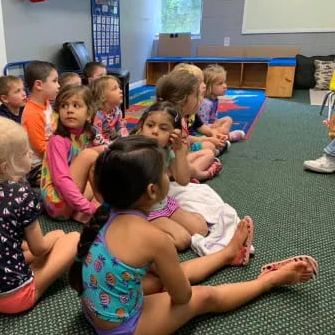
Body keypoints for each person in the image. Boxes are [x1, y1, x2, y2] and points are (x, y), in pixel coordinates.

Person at [69, 135, 318, 335]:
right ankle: (267, 282)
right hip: (124, 327)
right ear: (153, 190)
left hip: (96, 309)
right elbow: (182, 296)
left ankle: (228, 253)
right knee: (203, 296)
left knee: (166, 275)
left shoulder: (105, 213)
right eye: (165, 172)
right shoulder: (154, 238)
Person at [0, 116, 80, 314]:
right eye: (24, 152)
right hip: (14, 298)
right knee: (70, 237)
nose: (30, 153)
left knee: (20, 246)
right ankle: (27, 283)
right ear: (4, 167)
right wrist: (54, 237)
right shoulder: (20, 194)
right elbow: (39, 249)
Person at [135, 102, 208, 250]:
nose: (155, 131)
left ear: (173, 133)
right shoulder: (134, 150)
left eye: (163, 128)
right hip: (144, 210)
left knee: (201, 229)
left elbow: (183, 180)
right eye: (150, 125)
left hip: (164, 203)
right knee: (182, 241)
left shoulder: (167, 150)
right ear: (142, 126)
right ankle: (137, 234)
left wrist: (179, 149)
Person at [41, 85, 103, 224]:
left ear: (89, 114)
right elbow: (61, 180)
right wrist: (87, 207)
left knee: (102, 152)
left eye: (76, 105)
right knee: (89, 155)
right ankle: (97, 209)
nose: (69, 110)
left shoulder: (85, 134)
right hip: (56, 203)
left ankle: (84, 212)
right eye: (64, 106)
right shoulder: (58, 141)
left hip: (69, 199)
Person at [156, 69, 223, 181]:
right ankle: (204, 174)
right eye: (197, 95)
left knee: (209, 153)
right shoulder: (168, 123)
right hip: (166, 169)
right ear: (183, 100)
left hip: (179, 158)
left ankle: (193, 174)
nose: (201, 99)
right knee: (193, 168)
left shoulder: (181, 118)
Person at [21, 61, 60, 187]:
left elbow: (55, 129)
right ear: (39, 85)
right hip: (37, 166)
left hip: (51, 157)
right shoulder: (32, 114)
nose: (58, 85)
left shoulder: (46, 103)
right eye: (54, 81)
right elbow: (42, 149)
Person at [200, 64, 245, 142]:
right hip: (204, 130)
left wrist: (216, 124)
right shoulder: (205, 103)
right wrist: (214, 126)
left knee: (228, 119)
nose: (225, 86)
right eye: (220, 84)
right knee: (223, 130)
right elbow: (201, 125)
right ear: (209, 87)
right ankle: (228, 137)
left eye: (224, 82)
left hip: (212, 125)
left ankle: (223, 137)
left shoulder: (215, 99)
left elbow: (213, 118)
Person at [91, 75, 129, 146]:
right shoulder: (98, 115)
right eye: (115, 88)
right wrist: (113, 145)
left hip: (108, 140)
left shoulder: (116, 110)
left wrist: (125, 139)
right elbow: (97, 139)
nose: (121, 91)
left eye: (119, 88)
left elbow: (121, 127)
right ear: (103, 96)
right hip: (95, 145)